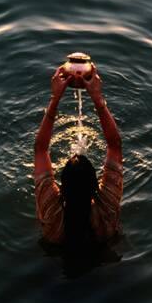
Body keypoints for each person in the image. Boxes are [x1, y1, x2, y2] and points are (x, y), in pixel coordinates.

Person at [34, 63, 123, 250]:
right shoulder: (106, 210)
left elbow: (40, 149)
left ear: (60, 188)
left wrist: (55, 98)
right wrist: (98, 99)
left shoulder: (52, 213)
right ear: (96, 187)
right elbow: (115, 144)